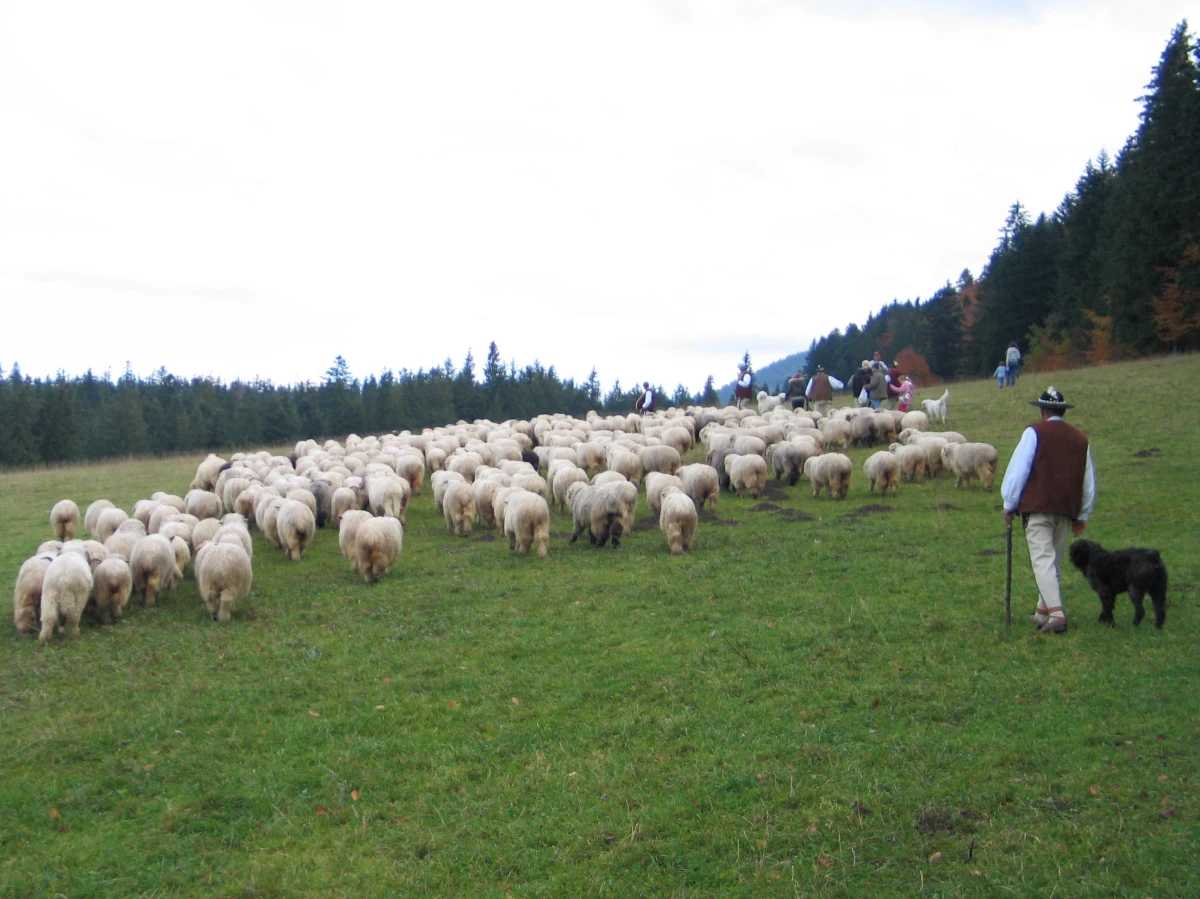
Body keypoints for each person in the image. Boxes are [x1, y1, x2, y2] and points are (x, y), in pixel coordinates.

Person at [1000, 386, 1096, 634]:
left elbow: (1019, 469)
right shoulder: (1081, 439)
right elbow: (1087, 480)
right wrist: (1082, 514)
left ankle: (1056, 614)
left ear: (1042, 411)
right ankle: (1043, 612)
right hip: (1066, 509)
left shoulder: (1034, 432)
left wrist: (1009, 503)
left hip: (1039, 507)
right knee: (1054, 561)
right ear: (1062, 412)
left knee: (1042, 560)